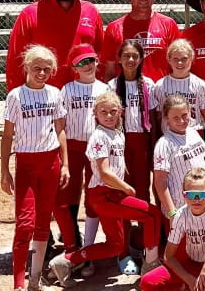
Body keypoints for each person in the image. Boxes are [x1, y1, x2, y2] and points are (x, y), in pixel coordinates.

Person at [49, 91, 162, 287]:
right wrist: (127, 187)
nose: (109, 116)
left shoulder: (117, 133)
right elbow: (104, 172)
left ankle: (65, 261)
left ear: (120, 112)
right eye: (104, 112)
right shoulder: (99, 136)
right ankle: (151, 264)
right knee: (151, 214)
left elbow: (117, 164)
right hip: (104, 194)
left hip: (112, 193)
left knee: (115, 245)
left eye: (113, 111)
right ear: (95, 113)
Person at [0, 45, 69, 291]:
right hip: (27, 163)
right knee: (25, 223)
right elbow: (8, 136)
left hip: (50, 162)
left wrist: (65, 164)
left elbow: (60, 129)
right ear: (26, 67)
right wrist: (4, 170)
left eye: (46, 69)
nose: (41, 73)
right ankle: (19, 283)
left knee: (42, 222)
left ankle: (35, 279)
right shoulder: (16, 96)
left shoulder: (54, 93)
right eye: (37, 68)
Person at [6, 0, 104, 91]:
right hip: (44, 95)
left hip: (82, 94)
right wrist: (16, 94)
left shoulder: (90, 11)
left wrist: (100, 89)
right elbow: (16, 58)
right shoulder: (30, 14)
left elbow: (100, 54)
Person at [57, 44, 109, 277]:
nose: (87, 65)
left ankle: (87, 251)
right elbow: (60, 126)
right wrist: (65, 159)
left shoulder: (104, 89)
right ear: (73, 68)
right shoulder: (67, 90)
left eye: (90, 60)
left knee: (93, 196)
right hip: (73, 147)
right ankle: (71, 246)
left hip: (96, 149)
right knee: (67, 195)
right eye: (81, 62)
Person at [153, 94, 205, 231]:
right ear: (166, 119)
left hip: (201, 204)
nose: (182, 121)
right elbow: (160, 182)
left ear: (190, 112)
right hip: (180, 210)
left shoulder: (193, 133)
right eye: (175, 118)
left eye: (184, 115)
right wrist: (172, 213)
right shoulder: (163, 144)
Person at [101, 0, 181, 82]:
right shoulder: (114, 27)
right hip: (126, 93)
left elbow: (178, 63)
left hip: (159, 93)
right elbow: (110, 70)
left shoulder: (168, 24)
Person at [108, 40, 158, 202]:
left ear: (141, 59)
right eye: (126, 56)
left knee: (143, 184)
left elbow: (153, 117)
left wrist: (153, 145)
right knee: (123, 183)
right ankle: (126, 226)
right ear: (119, 59)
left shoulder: (148, 84)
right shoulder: (112, 85)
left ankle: (144, 226)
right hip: (120, 140)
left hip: (141, 140)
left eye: (135, 56)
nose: (130, 60)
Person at [153, 39, 205, 136]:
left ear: (191, 59)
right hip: (169, 134)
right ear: (169, 59)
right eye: (175, 59)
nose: (180, 63)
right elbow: (159, 114)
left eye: (184, 59)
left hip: (194, 132)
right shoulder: (160, 85)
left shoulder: (200, 84)